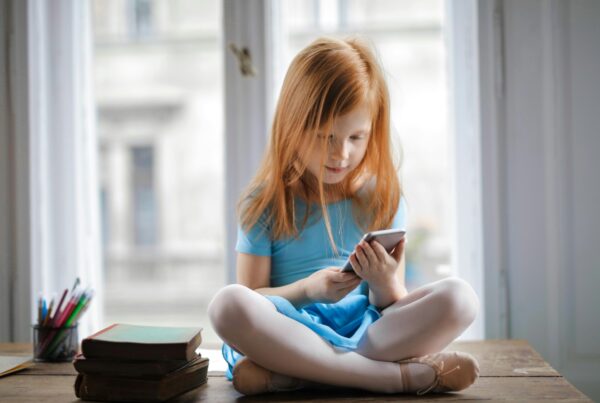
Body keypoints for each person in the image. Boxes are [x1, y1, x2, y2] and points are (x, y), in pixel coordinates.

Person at [208, 37, 480, 396]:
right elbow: (253, 296)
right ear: (292, 127)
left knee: (461, 298)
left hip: (367, 333)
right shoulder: (266, 203)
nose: (341, 153)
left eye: (357, 137)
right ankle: (394, 378)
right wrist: (309, 290)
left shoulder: (384, 198)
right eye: (325, 136)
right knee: (227, 305)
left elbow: (390, 306)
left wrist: (384, 283)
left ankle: (302, 375)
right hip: (292, 330)